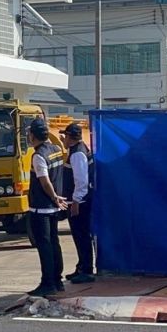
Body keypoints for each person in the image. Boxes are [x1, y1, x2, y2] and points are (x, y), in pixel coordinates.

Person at [25, 118, 67, 297]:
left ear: (33, 136)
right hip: (54, 207)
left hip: (42, 207)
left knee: (44, 246)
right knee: (54, 243)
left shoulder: (38, 156)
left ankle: (48, 283)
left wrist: (53, 196)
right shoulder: (56, 149)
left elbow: (44, 181)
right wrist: (56, 199)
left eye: (29, 133)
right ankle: (57, 281)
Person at [62, 122, 96, 284]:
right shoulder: (78, 150)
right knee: (79, 236)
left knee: (81, 235)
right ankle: (81, 266)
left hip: (79, 202)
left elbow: (81, 180)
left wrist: (76, 201)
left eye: (65, 136)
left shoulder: (77, 154)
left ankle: (86, 269)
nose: (63, 139)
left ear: (70, 137)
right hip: (79, 200)